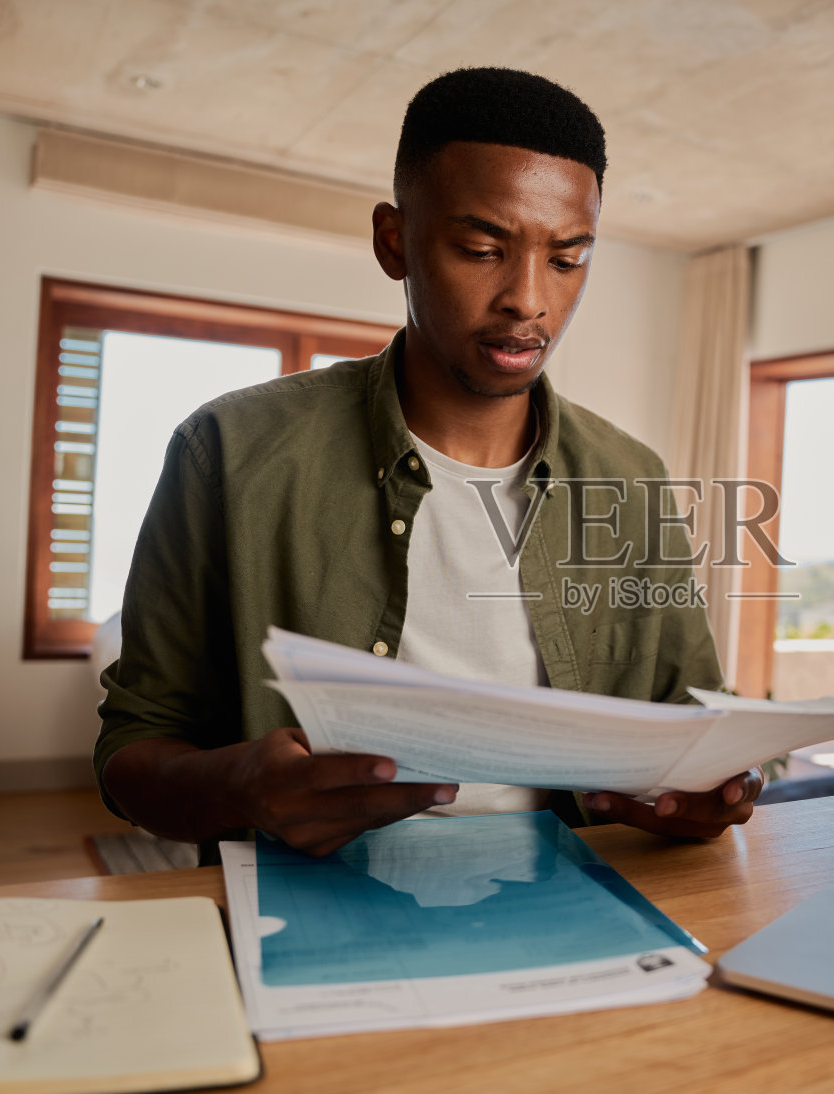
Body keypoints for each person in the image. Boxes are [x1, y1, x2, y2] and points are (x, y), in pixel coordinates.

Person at [94, 68, 762, 860]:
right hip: (313, 909)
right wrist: (243, 788)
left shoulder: (634, 479)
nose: (527, 299)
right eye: (482, 249)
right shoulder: (229, 452)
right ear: (394, 241)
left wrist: (711, 792)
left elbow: (692, 723)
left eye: (567, 259)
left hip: (580, 895)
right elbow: (131, 753)